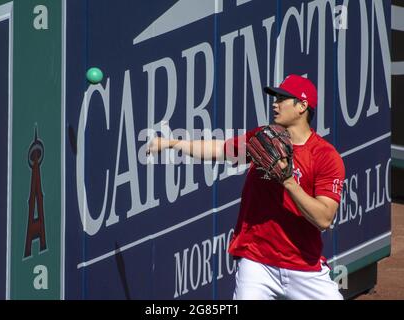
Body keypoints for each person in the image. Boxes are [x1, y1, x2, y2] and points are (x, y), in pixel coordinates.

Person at [147, 74, 345, 300]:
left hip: (304, 267)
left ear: (302, 106)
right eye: (275, 97)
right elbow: (221, 150)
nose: (275, 103)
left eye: (282, 98)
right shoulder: (264, 139)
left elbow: (324, 218)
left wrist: (289, 182)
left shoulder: (325, 157)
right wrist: (173, 143)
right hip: (257, 261)